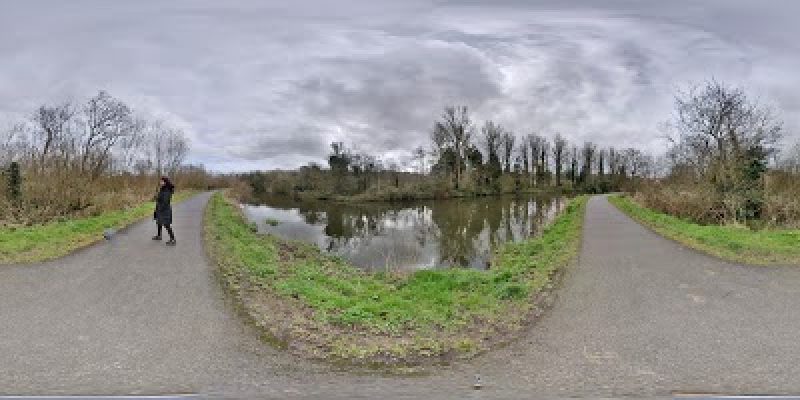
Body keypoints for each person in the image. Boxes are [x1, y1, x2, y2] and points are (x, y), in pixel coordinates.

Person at [153, 176, 176, 246]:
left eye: (161, 181)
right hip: (160, 208)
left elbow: (165, 201)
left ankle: (173, 239)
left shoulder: (167, 190)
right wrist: (156, 197)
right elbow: (160, 198)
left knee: (166, 224)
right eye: (160, 181)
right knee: (159, 222)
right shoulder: (162, 189)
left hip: (164, 209)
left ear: (165, 182)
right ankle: (159, 236)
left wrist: (160, 208)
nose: (160, 182)